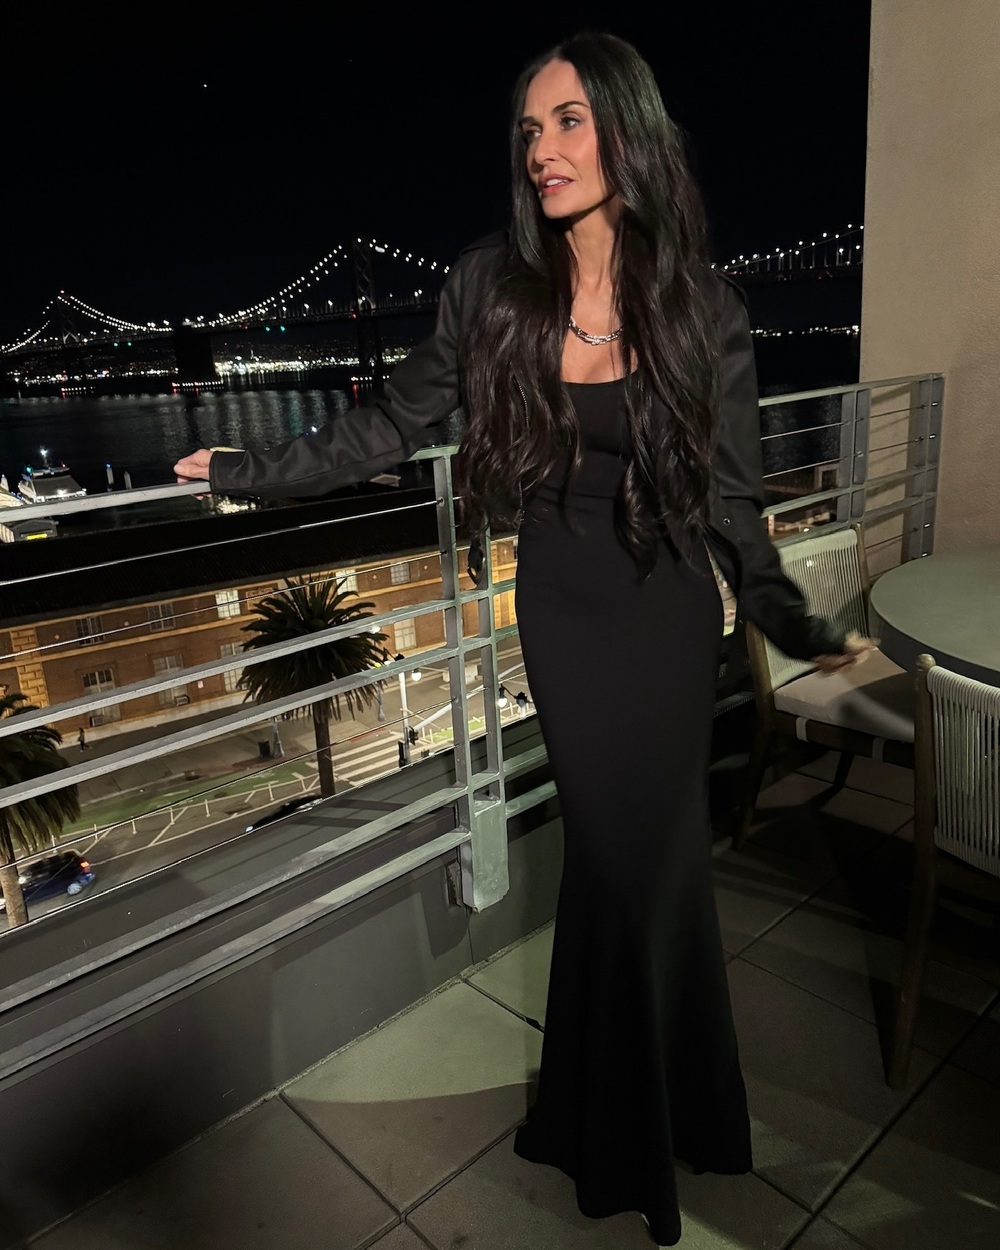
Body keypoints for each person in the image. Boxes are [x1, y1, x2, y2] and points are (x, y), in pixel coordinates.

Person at [176, 32, 872, 1246]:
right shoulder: (488, 287)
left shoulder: (704, 307)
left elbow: (732, 505)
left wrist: (796, 624)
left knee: (649, 878)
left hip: (666, 619)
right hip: (563, 613)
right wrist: (243, 468)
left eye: (568, 121)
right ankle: (632, 1134)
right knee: (625, 870)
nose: (542, 149)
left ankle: (627, 1117)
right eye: (529, 129)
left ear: (626, 132)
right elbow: (386, 427)